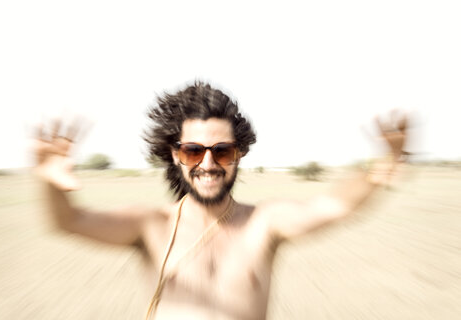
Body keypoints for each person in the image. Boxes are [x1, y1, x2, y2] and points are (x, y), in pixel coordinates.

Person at [33, 82, 409, 320]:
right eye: (194, 151)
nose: (208, 164)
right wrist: (49, 182)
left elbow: (333, 206)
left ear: (239, 154)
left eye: (223, 151)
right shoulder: (150, 226)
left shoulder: (264, 223)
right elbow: (68, 221)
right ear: (175, 154)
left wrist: (380, 171)